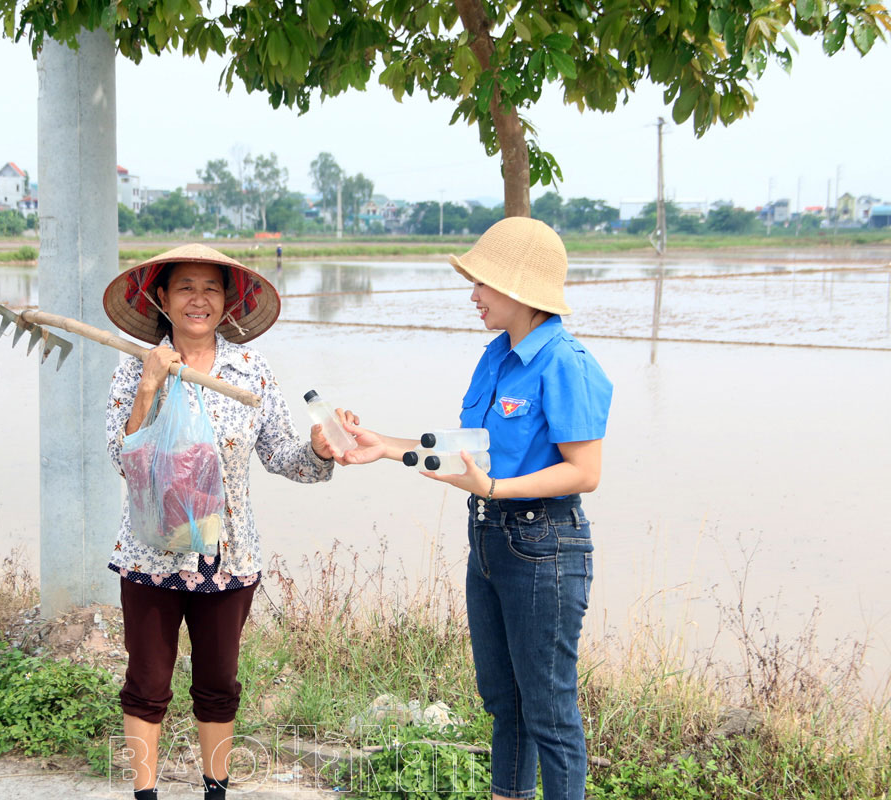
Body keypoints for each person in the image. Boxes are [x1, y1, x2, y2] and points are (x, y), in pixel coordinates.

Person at [336, 217, 612, 800]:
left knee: (550, 712)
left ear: (519, 290)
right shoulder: (495, 357)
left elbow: (584, 472)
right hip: (489, 542)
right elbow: (463, 453)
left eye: (482, 284)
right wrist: (385, 446)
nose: (473, 296)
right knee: (504, 700)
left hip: (543, 546)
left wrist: (495, 492)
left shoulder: (567, 362)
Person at [102, 243, 337, 800]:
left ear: (227, 301)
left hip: (227, 556)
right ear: (162, 297)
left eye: (210, 288)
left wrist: (321, 450)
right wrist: (149, 385)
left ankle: (215, 789)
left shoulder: (251, 371)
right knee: (147, 684)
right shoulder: (134, 365)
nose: (198, 299)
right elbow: (123, 457)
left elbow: (282, 454)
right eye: (185, 286)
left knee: (218, 685)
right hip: (153, 553)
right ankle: (145, 793)